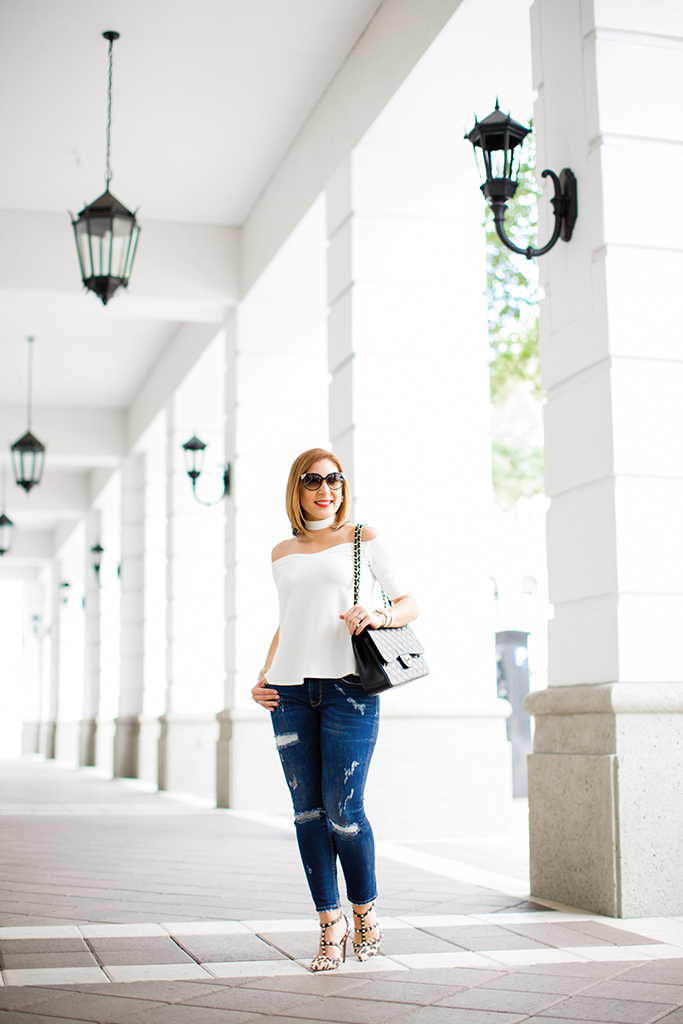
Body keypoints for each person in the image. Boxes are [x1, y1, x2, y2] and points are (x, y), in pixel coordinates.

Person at [251, 447, 419, 972]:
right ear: (296, 489)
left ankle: (364, 910)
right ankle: (330, 925)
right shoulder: (281, 552)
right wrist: (262, 674)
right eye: (314, 480)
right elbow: (289, 621)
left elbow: (411, 603)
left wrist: (377, 611)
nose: (327, 489)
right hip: (290, 693)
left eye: (335, 480)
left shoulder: (360, 538)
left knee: (345, 812)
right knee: (308, 814)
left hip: (348, 688)